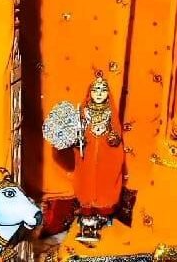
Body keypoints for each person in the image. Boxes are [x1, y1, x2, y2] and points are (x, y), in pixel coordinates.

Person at [72, 77, 124, 242]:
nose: (99, 93)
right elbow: (77, 133)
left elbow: (116, 134)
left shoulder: (110, 111)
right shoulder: (84, 110)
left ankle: (102, 214)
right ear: (90, 93)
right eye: (95, 90)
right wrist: (78, 139)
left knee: (105, 179)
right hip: (87, 155)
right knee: (86, 179)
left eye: (103, 90)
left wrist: (112, 138)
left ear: (108, 93)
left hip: (105, 155)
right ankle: (87, 214)